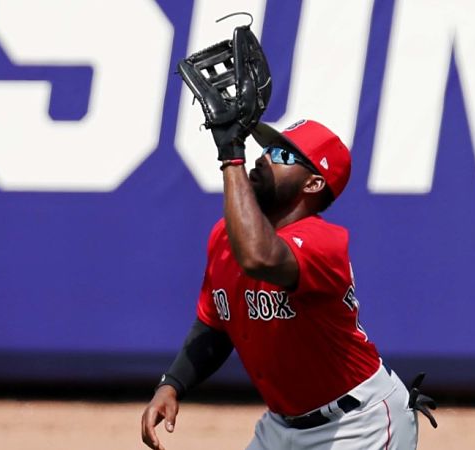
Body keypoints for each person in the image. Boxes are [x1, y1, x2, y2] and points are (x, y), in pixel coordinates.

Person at [141, 119, 421, 449]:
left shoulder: (323, 243)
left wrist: (231, 156)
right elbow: (214, 325)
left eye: (284, 156)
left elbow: (259, 258)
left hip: (358, 424)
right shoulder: (225, 236)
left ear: (314, 184)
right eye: (268, 149)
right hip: (279, 426)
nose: (265, 158)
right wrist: (172, 384)